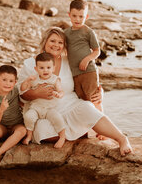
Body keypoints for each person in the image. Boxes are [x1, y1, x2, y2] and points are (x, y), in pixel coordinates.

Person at [17, 27, 132, 156]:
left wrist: (100, 93)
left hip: (70, 104)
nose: (56, 45)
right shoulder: (30, 64)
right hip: (43, 110)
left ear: (64, 45)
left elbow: (87, 80)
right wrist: (36, 93)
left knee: (87, 108)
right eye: (52, 41)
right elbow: (21, 95)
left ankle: (122, 139)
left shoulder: (70, 61)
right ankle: (84, 131)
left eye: (60, 43)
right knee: (41, 132)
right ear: (45, 42)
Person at [20, 52, 66, 148]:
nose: (45, 70)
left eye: (48, 68)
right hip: (36, 107)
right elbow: (23, 89)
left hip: (49, 108)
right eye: (41, 68)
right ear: (36, 69)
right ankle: (29, 135)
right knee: (28, 116)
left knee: (57, 118)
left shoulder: (55, 79)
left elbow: (61, 91)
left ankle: (62, 137)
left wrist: (58, 94)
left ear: (53, 68)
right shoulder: (34, 79)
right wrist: (27, 80)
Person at [64, 0, 102, 112]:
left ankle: (101, 126)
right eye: (74, 16)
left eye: (81, 16)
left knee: (93, 100)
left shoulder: (88, 32)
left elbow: (97, 51)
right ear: (69, 15)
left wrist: (87, 59)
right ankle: (84, 129)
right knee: (80, 102)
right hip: (74, 74)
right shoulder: (66, 33)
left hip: (88, 72)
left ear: (86, 17)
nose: (77, 19)